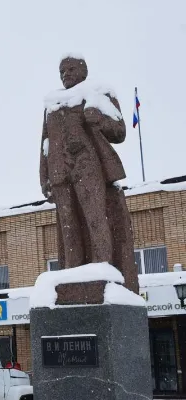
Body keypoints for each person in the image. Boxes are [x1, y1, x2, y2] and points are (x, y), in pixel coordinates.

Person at [40, 55, 138, 294]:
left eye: (71, 69)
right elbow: (45, 143)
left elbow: (119, 131)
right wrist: (44, 177)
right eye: (62, 71)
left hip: (87, 164)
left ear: (83, 71)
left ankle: (102, 267)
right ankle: (72, 273)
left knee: (96, 217)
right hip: (59, 170)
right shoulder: (52, 103)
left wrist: (100, 119)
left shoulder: (97, 92)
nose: (66, 74)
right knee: (68, 226)